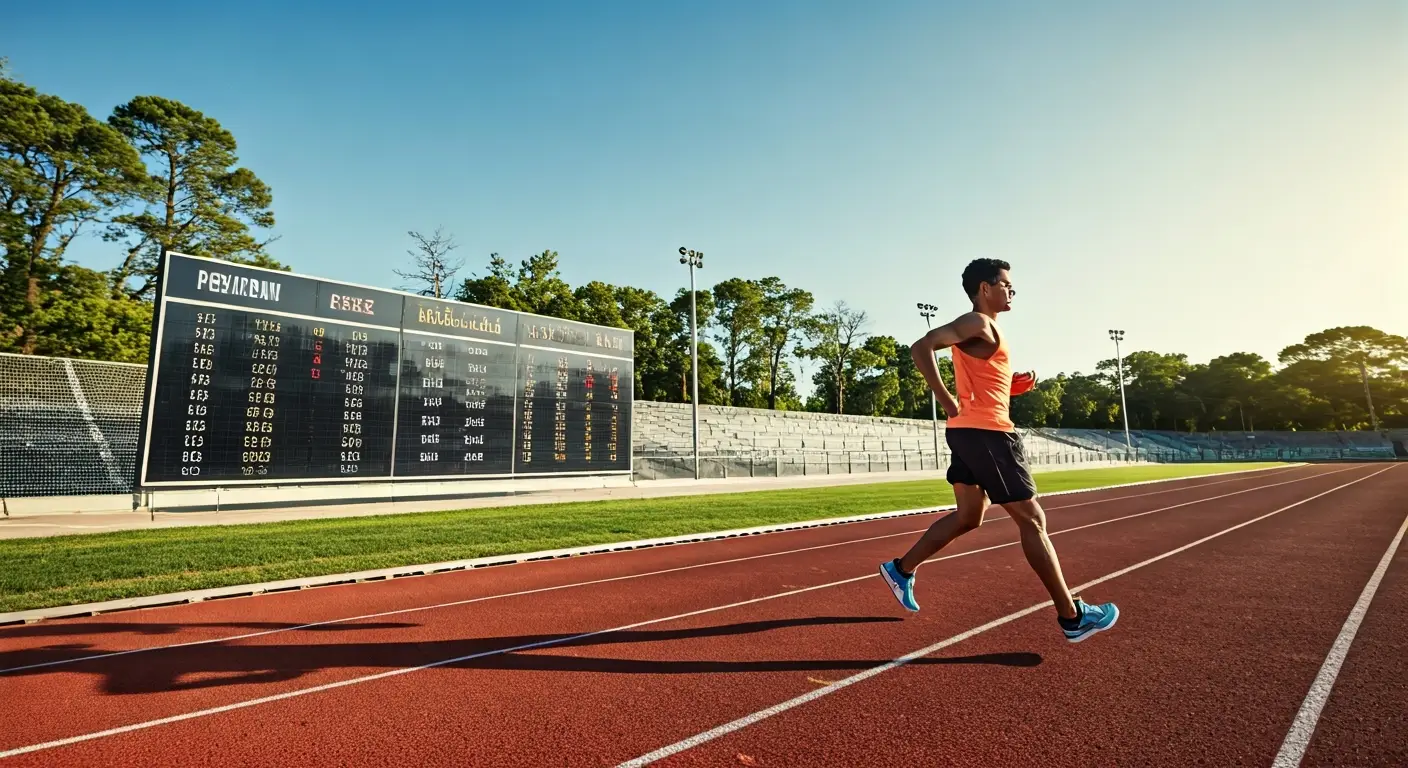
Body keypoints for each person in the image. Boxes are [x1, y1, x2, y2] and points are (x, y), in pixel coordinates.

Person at [879, 258, 1119, 643]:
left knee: (970, 516)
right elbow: (921, 347)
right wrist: (945, 400)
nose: (1011, 291)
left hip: (971, 432)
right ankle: (1073, 617)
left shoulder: (989, 331)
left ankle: (901, 569)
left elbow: (981, 383)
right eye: (1006, 285)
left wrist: (1012, 387)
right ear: (985, 288)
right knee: (1032, 520)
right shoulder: (978, 321)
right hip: (986, 433)